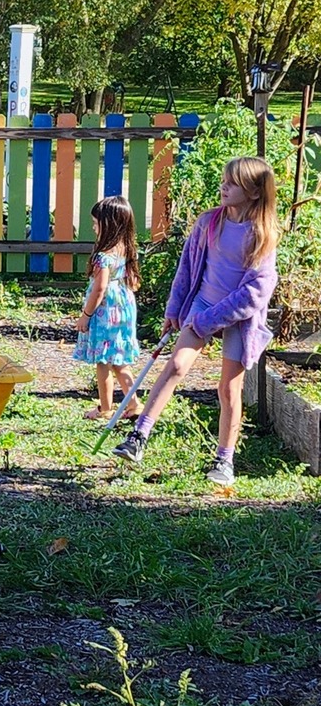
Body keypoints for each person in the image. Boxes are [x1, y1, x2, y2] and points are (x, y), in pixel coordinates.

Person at [114, 156, 280, 486]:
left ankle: (224, 461)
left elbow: (253, 296)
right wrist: (175, 310)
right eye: (224, 180)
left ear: (255, 193)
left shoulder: (262, 236)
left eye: (233, 184)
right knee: (175, 365)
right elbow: (188, 270)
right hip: (203, 302)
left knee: (229, 388)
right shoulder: (209, 222)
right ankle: (138, 436)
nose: (224, 187)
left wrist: (206, 321)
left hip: (238, 318)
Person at [74, 196, 142, 420]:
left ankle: (105, 409)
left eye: (96, 223)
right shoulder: (125, 249)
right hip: (123, 308)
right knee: (119, 360)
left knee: (103, 361)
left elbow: (99, 289)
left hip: (106, 311)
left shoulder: (103, 257)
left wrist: (86, 315)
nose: (93, 228)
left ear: (109, 225)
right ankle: (134, 404)